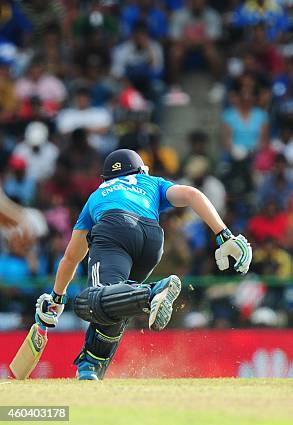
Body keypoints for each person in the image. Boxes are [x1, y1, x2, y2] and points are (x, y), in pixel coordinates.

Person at [33, 149, 252, 380]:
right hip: (152, 239)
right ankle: (90, 365)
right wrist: (223, 234)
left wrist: (57, 298)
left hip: (114, 230)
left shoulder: (99, 194)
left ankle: (151, 294)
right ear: (140, 170)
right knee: (116, 302)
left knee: (89, 301)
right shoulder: (151, 182)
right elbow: (191, 194)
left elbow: (71, 257)